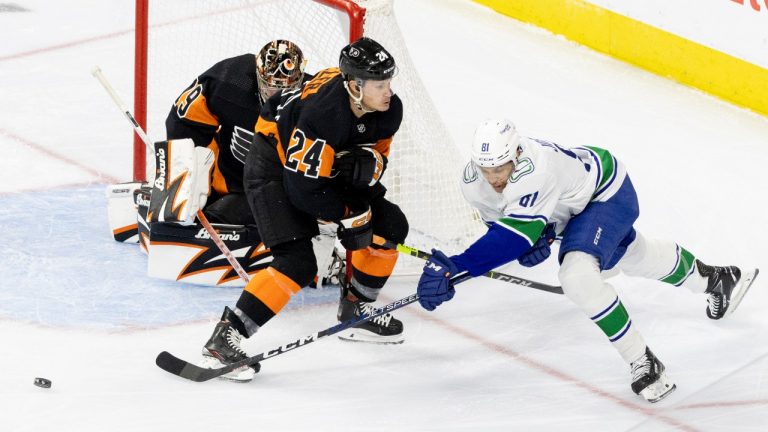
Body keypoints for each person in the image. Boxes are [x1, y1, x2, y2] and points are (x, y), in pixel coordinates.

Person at [416, 118, 759, 403]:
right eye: (485, 168)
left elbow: (511, 237)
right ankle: (717, 280)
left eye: (500, 168)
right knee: (634, 256)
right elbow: (504, 229)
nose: (492, 178)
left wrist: (457, 264)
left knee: (578, 275)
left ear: (517, 154)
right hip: (573, 209)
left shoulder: (535, 170)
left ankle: (643, 361)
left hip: (605, 192)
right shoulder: (473, 183)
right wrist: (535, 239)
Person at [201, 37, 409, 382]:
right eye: (380, 84)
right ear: (355, 86)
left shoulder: (390, 109)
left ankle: (357, 308)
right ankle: (224, 338)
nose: (389, 92)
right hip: (273, 163)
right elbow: (303, 192)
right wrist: (348, 215)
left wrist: (370, 164)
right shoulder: (322, 115)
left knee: (390, 226)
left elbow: (379, 155)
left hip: (320, 166)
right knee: (297, 263)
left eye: (389, 82)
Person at [165, 39, 307, 225]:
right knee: (187, 215)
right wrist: (187, 176)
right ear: (258, 76)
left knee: (217, 217)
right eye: (270, 87)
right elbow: (184, 120)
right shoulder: (230, 80)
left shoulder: (314, 101)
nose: (276, 96)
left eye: (285, 89)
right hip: (223, 184)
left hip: (276, 197)